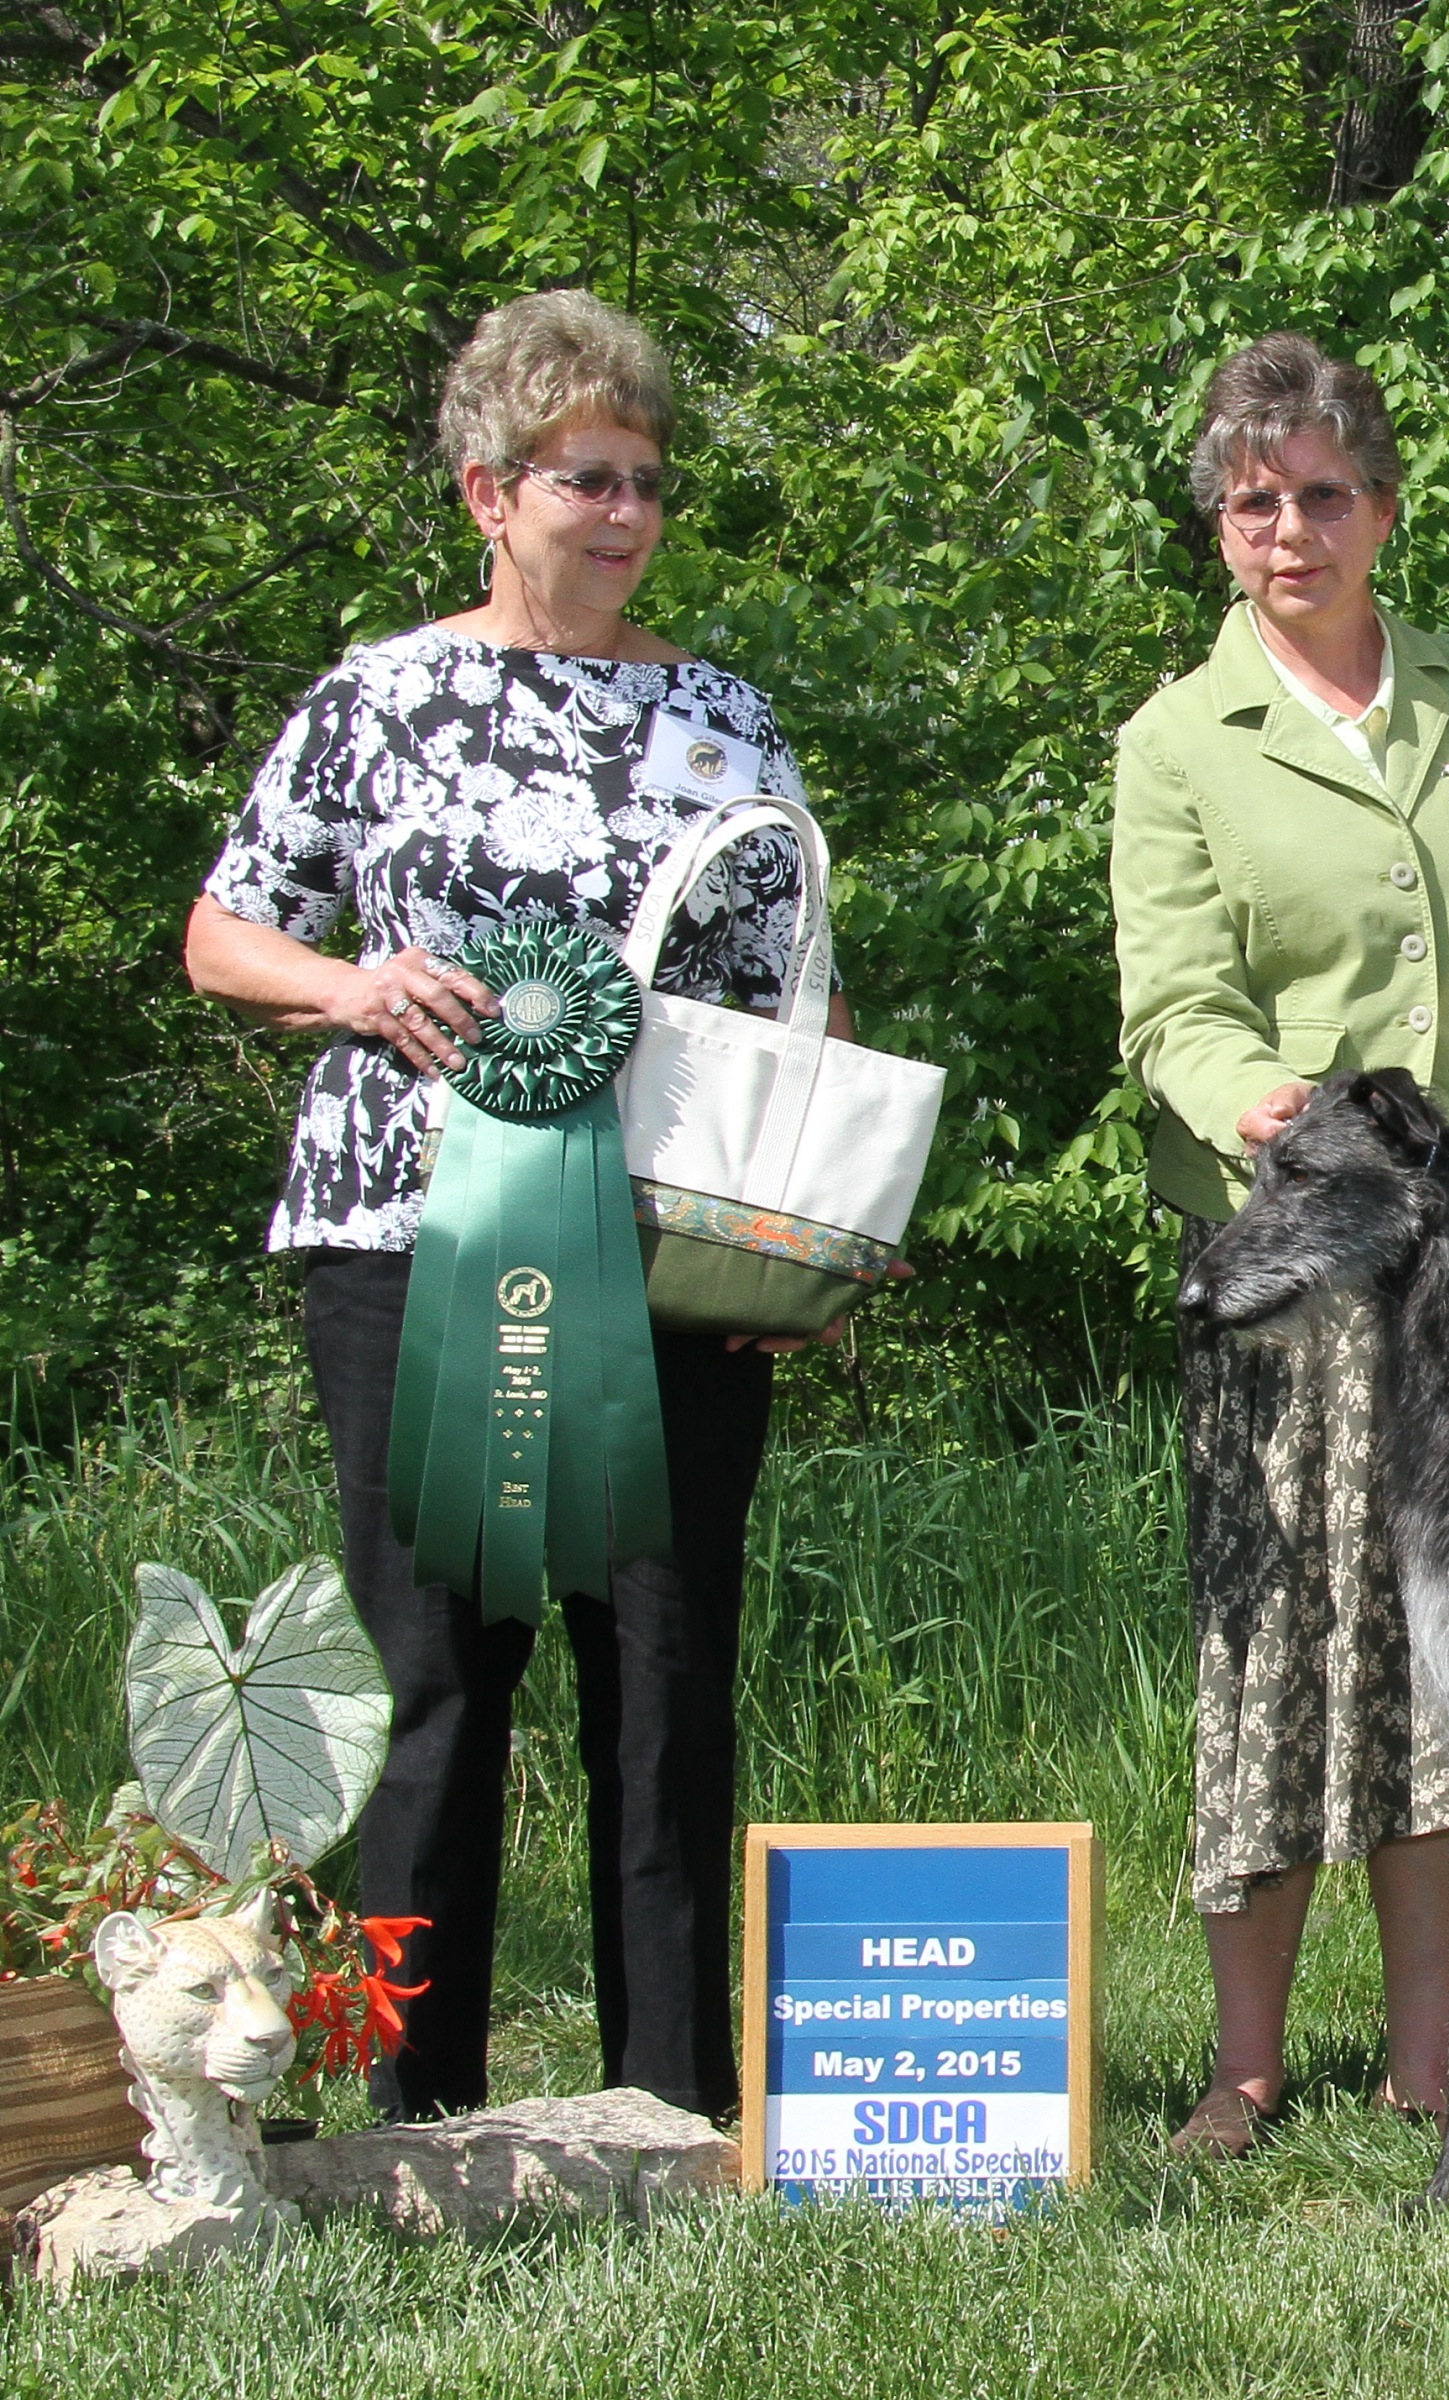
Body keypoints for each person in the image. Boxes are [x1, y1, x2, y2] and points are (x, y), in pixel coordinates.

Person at [185, 288, 857, 2123]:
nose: (627, 513)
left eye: (651, 483)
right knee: (431, 1689)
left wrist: (782, 1238)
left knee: (661, 1691)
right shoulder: (377, 694)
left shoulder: (722, 718)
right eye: (589, 478)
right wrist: (341, 986)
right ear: (491, 489)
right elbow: (219, 927)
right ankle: (407, 2111)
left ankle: (671, 2111)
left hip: (667, 1277)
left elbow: (802, 991)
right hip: (406, 1251)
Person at [1110, 333, 1449, 2157]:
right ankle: (1241, 2074)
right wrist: (1281, 1121)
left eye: (1324, 494)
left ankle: (1433, 2063)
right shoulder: (1175, 743)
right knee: (1279, 1640)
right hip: (1300, 1250)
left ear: (1383, 509)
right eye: (1254, 502)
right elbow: (1175, 1008)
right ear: (1220, 532)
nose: (1290, 527)